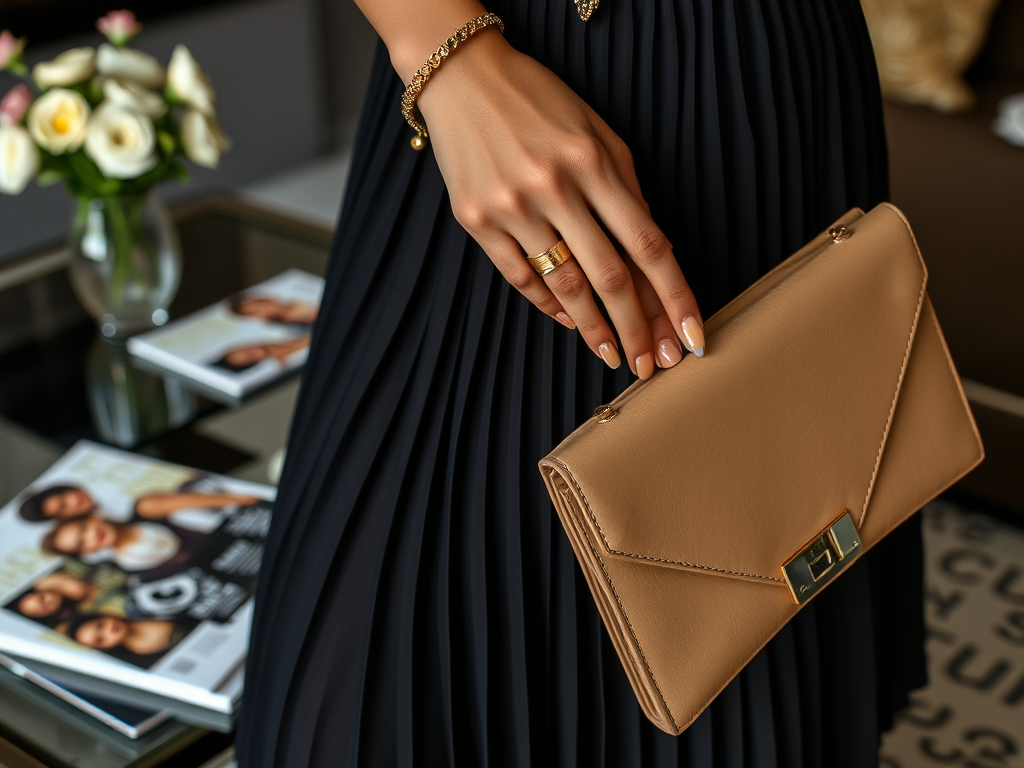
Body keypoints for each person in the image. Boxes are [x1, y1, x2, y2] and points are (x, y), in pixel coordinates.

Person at [238, 1, 925, 766]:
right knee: (352, 687)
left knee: (746, 616)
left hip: (750, 74)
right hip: (479, 80)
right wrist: (439, 50)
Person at [63, 613, 197, 668]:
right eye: (100, 639)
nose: (108, 630)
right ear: (104, 648)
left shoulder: (143, 607)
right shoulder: (138, 664)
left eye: (100, 625)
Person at [209, 336, 312, 374]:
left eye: (245, 351)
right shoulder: (290, 363)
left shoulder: (283, 333)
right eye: (250, 357)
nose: (253, 352)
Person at [227, 294, 319, 329]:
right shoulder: (291, 327)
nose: (265, 309)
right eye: (255, 312)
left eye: (259, 305)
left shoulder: (298, 298)